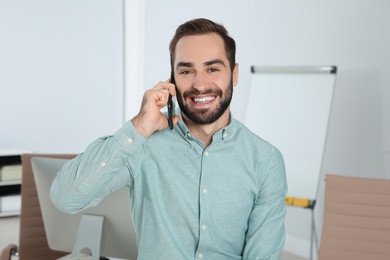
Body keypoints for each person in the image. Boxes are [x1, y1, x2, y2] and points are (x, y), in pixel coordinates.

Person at [50, 18, 287, 260]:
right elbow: (65, 198)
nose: (200, 84)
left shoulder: (265, 160)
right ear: (171, 80)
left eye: (212, 69)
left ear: (234, 74)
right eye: (186, 71)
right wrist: (140, 126)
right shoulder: (143, 144)